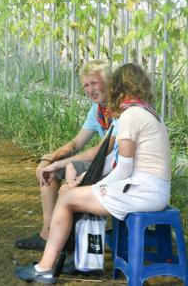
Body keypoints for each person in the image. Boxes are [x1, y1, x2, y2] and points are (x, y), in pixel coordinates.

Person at [15, 63, 171, 284]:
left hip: (142, 191)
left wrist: (93, 188)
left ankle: (46, 268)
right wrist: (79, 180)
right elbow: (113, 160)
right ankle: (58, 261)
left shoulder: (130, 116)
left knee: (68, 199)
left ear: (116, 87)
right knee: (71, 194)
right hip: (151, 190)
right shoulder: (147, 111)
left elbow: (123, 168)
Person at [15, 60, 119, 252]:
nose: (90, 90)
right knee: (50, 171)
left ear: (109, 81)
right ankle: (48, 234)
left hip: (116, 169)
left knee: (64, 178)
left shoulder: (120, 109)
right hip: (102, 165)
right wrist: (49, 158)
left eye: (94, 83)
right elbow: (75, 143)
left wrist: (59, 163)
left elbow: (100, 151)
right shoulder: (98, 111)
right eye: (86, 86)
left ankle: (70, 244)